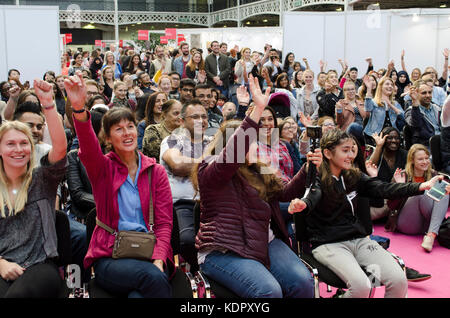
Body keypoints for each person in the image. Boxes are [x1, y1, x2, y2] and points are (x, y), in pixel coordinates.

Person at [191, 75, 315, 298]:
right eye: (249, 141)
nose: (255, 145)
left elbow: (285, 192)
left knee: (303, 282)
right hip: (224, 249)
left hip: (262, 241)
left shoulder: (259, 168)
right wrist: (257, 109)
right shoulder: (209, 168)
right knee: (268, 291)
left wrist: (309, 167)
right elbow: (232, 155)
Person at [288, 129, 444, 298]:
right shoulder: (316, 177)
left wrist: (421, 186)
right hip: (328, 244)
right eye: (345, 150)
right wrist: (302, 204)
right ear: (328, 153)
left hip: (359, 241)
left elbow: (384, 189)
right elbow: (313, 195)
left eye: (352, 150)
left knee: (399, 280)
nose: (351, 155)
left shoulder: (354, 176)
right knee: (361, 287)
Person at [66, 71, 174, 298]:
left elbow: (164, 224)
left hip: (150, 252)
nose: (126, 133)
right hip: (111, 256)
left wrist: (158, 260)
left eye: (130, 126)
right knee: (151, 278)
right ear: (107, 138)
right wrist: (78, 108)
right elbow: (87, 146)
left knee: (140, 292)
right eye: (118, 128)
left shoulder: (156, 171)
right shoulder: (102, 169)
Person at [0, 79, 67, 298]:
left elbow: (60, 148)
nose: (18, 149)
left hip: (41, 266)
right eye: (11, 144)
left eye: (24, 143)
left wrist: (48, 104)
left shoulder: (42, 179)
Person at [160, 99, 212, 273]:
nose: (201, 121)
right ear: (182, 121)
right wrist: (211, 163)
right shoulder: (172, 140)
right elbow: (178, 165)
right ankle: (196, 274)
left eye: (204, 116)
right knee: (187, 241)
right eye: (195, 117)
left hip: (213, 204)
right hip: (184, 204)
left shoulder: (213, 142)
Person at [386, 144, 449, 253]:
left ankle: (431, 236)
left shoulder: (434, 174)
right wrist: (400, 187)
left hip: (427, 223)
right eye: (420, 159)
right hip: (406, 223)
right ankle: (435, 231)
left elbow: (441, 205)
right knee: (421, 191)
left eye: (426, 158)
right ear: (412, 161)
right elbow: (391, 206)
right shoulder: (402, 175)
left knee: (445, 191)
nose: (425, 161)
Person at [368, 127, 407, 221]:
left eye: (397, 138)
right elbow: (369, 168)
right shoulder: (378, 154)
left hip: (396, 199)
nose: (394, 141)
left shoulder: (404, 155)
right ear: (384, 139)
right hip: (378, 199)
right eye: (390, 138)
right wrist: (378, 146)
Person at [363, 76, 404, 146]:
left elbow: (403, 117)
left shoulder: (395, 104)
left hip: (392, 136)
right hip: (376, 136)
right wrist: (369, 89)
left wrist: (390, 105)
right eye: (387, 84)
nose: (390, 86)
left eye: (391, 85)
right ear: (381, 86)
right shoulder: (374, 102)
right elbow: (367, 110)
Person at [404, 79, 441, 148]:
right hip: (424, 148)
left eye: (430, 92)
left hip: (442, 144)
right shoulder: (410, 111)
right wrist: (415, 103)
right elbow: (416, 125)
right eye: (424, 93)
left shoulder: (437, 108)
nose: (428, 95)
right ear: (416, 94)